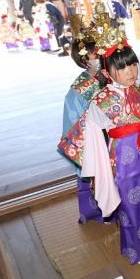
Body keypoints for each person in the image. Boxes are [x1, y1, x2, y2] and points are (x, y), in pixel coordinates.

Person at [59, 29, 140, 265]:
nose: (131, 72)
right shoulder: (101, 100)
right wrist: (99, 173)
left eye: (133, 65)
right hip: (124, 158)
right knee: (134, 202)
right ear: (108, 70)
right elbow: (95, 139)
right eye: (123, 67)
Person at [60, 13, 109, 223]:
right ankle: (95, 211)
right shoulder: (77, 90)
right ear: (83, 59)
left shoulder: (108, 76)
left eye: (100, 51)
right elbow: (74, 120)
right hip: (91, 136)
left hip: (112, 133)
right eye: (93, 54)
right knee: (93, 173)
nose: (98, 56)